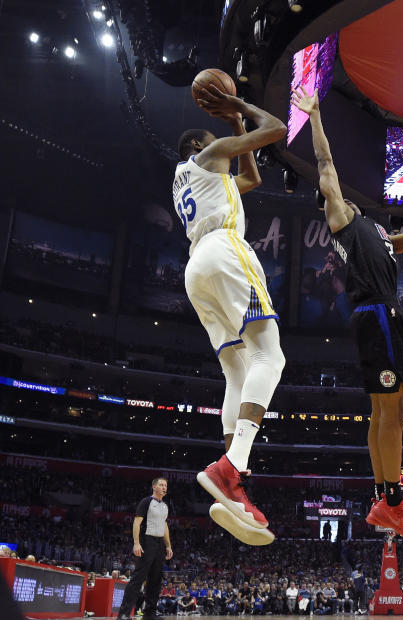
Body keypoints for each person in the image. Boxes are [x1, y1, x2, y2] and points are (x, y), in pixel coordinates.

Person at [292, 86, 403, 541]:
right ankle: (394, 503)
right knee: (391, 411)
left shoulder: (380, 235)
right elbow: (326, 168)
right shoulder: (344, 221)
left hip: (381, 318)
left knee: (387, 411)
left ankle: (385, 498)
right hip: (377, 314)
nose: (336, 200)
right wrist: (317, 116)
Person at [174, 84, 286, 545]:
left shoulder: (192, 181)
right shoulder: (210, 154)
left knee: (235, 371)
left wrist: (236, 125)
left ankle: (231, 490)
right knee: (269, 357)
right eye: (216, 136)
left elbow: (253, 180)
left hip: (196, 268)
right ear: (202, 146)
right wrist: (238, 107)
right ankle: (230, 467)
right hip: (224, 251)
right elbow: (276, 129)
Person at [116, 478, 173, 620]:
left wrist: (168, 546)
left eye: (165, 485)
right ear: (154, 487)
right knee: (138, 578)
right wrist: (136, 543)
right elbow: (137, 522)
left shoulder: (165, 506)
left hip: (160, 544)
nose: (164, 487)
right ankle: (123, 613)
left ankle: (149, 613)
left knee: (155, 580)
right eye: (161, 485)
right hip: (147, 541)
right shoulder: (146, 502)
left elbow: (164, 526)